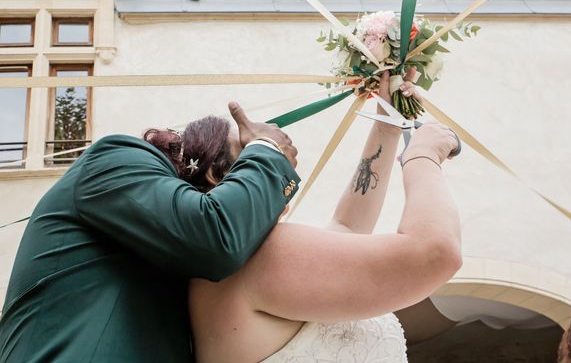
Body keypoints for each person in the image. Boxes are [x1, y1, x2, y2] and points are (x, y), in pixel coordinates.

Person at [188, 70, 463, 362]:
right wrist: (423, 157)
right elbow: (435, 253)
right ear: (216, 178)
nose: (275, 142)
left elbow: (348, 228)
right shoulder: (256, 257)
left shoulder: (227, 265)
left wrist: (388, 124)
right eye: (253, 148)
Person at [0, 102, 299, 363]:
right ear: (212, 175)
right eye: (245, 168)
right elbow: (217, 235)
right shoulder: (114, 158)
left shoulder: (194, 265)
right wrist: (266, 150)